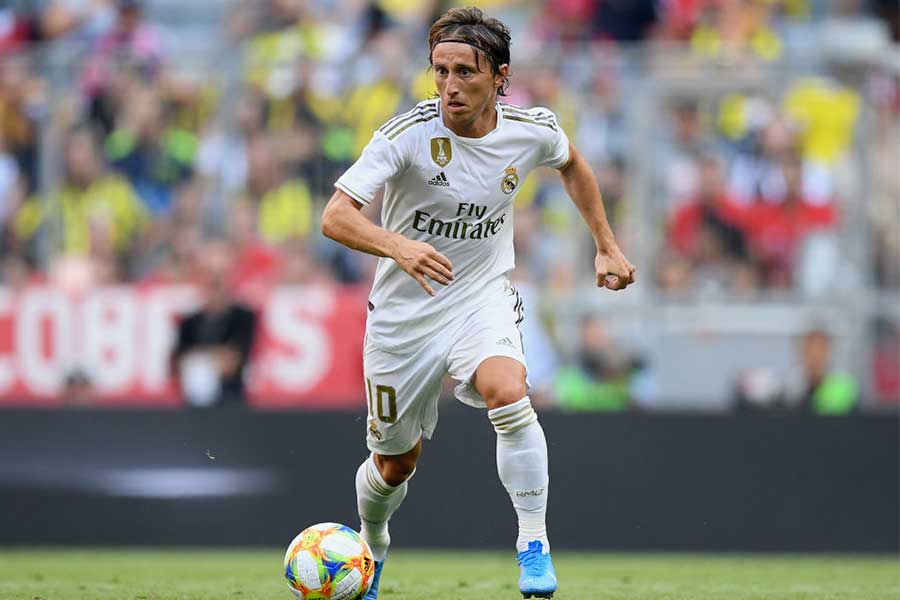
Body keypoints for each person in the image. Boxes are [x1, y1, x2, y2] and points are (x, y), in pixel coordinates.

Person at [321, 7, 635, 599]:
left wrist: (606, 245)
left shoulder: (530, 130)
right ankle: (372, 543)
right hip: (403, 317)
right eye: (440, 71)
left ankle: (534, 544)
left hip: (480, 296)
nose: (449, 86)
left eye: (465, 72)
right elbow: (335, 216)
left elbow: (572, 163)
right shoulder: (407, 134)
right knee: (394, 465)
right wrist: (398, 246)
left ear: (500, 77)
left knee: (509, 392)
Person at [172, 240, 257, 408]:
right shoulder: (188, 322)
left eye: (221, 275)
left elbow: (234, 360)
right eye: (209, 274)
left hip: (233, 407)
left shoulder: (245, 318)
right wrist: (215, 360)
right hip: (192, 411)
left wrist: (198, 360)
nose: (215, 282)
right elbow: (178, 364)